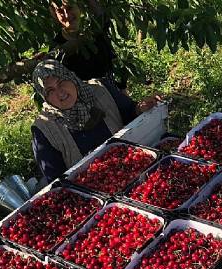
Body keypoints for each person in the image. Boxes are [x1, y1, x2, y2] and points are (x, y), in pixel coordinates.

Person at [31, 59, 160, 182]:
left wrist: (140, 108)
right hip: (94, 191)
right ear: (45, 97)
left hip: (134, 166)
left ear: (70, 77)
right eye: (50, 91)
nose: (60, 93)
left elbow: (130, 113)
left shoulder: (101, 90)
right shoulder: (44, 129)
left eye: (61, 83)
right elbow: (56, 180)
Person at [49, 1, 126, 87]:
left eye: (70, 8)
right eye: (60, 12)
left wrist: (122, 92)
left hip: (113, 91)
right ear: (55, 15)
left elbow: (111, 62)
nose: (67, 15)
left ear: (79, 7)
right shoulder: (57, 45)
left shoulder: (94, 29)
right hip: (87, 96)